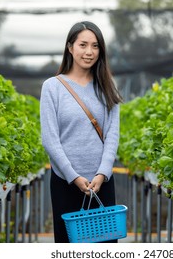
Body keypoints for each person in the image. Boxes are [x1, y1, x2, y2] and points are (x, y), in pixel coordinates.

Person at [40, 21, 123, 243]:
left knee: (103, 247)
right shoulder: (52, 87)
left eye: (95, 46)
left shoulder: (107, 86)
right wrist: (73, 176)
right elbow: (50, 139)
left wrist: (102, 173)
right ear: (70, 47)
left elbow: (112, 135)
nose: (89, 52)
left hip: (102, 183)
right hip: (65, 182)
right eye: (83, 45)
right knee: (69, 248)